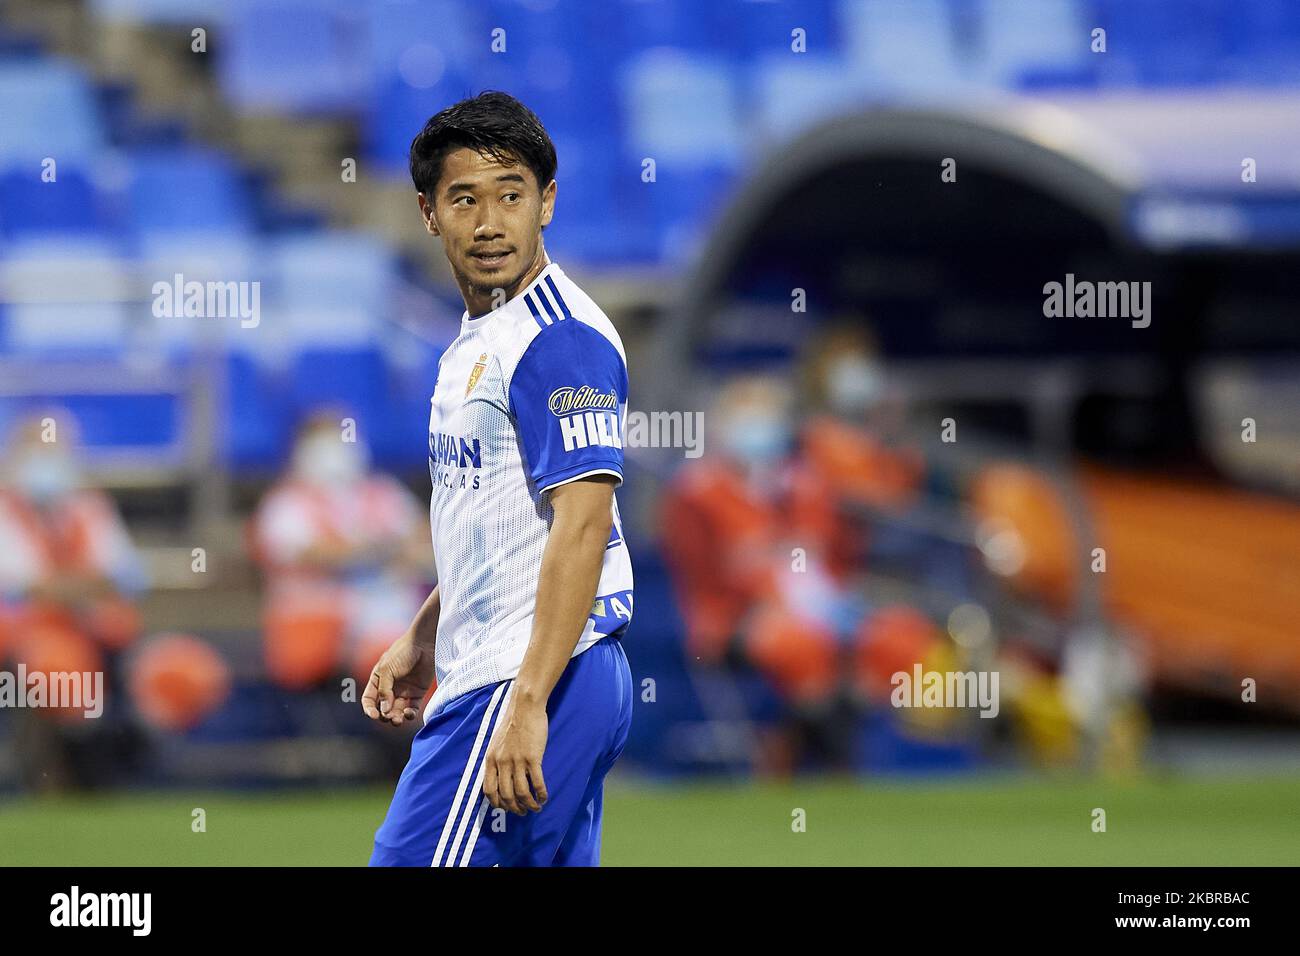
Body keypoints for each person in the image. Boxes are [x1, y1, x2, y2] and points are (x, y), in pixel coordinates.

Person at [365, 92, 634, 867]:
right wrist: (425, 630)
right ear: (428, 212)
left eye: (511, 196)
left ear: (546, 202)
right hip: (538, 666)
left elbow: (584, 526)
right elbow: (513, 519)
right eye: (465, 200)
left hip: (528, 675)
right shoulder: (487, 333)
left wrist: (527, 700)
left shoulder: (558, 342)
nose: (489, 223)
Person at [251, 411, 430, 691]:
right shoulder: (286, 503)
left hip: (389, 611)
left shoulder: (382, 492)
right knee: (385, 647)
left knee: (415, 637)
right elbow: (310, 553)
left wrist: (381, 551)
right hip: (321, 620)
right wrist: (379, 550)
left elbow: (421, 544)